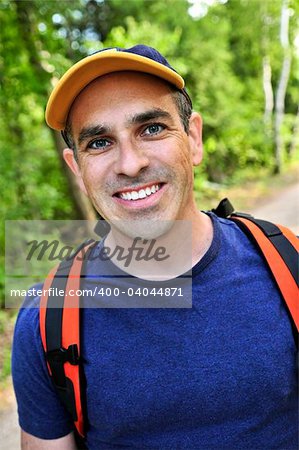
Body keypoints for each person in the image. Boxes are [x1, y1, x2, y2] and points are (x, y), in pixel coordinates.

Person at [12, 45, 298, 450]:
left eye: (151, 129)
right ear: (76, 168)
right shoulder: (46, 321)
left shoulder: (291, 267)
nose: (130, 164)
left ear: (193, 139)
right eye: (99, 142)